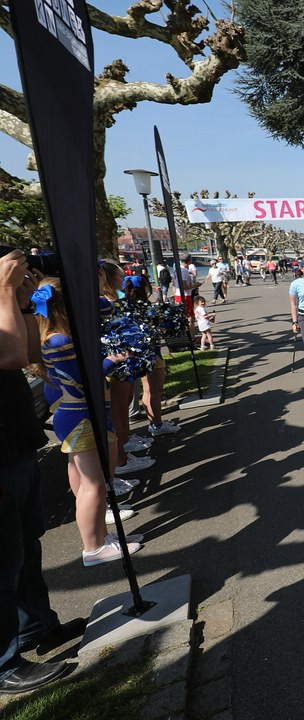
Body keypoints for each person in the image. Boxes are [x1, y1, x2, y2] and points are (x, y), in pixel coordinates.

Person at [0, 252, 81, 695]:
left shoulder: (9, 304)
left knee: (26, 546)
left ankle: (34, 627)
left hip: (16, 441)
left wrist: (27, 302)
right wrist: (3, 291)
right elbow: (11, 355)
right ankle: (4, 663)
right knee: (2, 560)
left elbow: (31, 352)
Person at [35, 277, 144, 567]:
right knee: (93, 486)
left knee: (88, 483)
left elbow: (103, 309)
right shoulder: (60, 340)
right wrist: (111, 361)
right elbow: (81, 380)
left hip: (82, 414)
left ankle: (100, 536)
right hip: (81, 416)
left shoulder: (61, 336)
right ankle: (93, 547)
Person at [100, 261, 155, 479]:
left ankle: (125, 442)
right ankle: (121, 455)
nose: (123, 281)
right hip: (115, 361)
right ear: (107, 279)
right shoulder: (104, 302)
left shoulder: (118, 300)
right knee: (118, 408)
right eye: (119, 278)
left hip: (125, 359)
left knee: (125, 403)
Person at [122, 276, 179, 439]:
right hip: (151, 354)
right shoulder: (146, 308)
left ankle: (155, 423)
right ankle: (156, 424)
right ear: (145, 288)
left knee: (149, 391)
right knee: (154, 390)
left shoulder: (126, 307)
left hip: (137, 355)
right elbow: (161, 327)